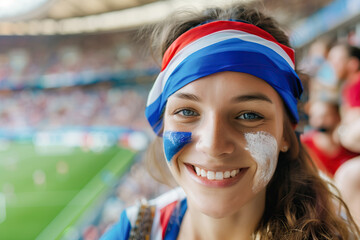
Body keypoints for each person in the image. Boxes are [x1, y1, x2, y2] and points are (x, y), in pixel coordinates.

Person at [101, 3, 360, 239]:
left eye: (249, 115)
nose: (213, 145)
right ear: (163, 122)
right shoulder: (130, 231)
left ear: (285, 132)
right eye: (187, 112)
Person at [328, 43, 360, 227]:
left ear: (353, 63)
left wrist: (342, 130)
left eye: (336, 60)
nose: (331, 65)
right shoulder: (347, 87)